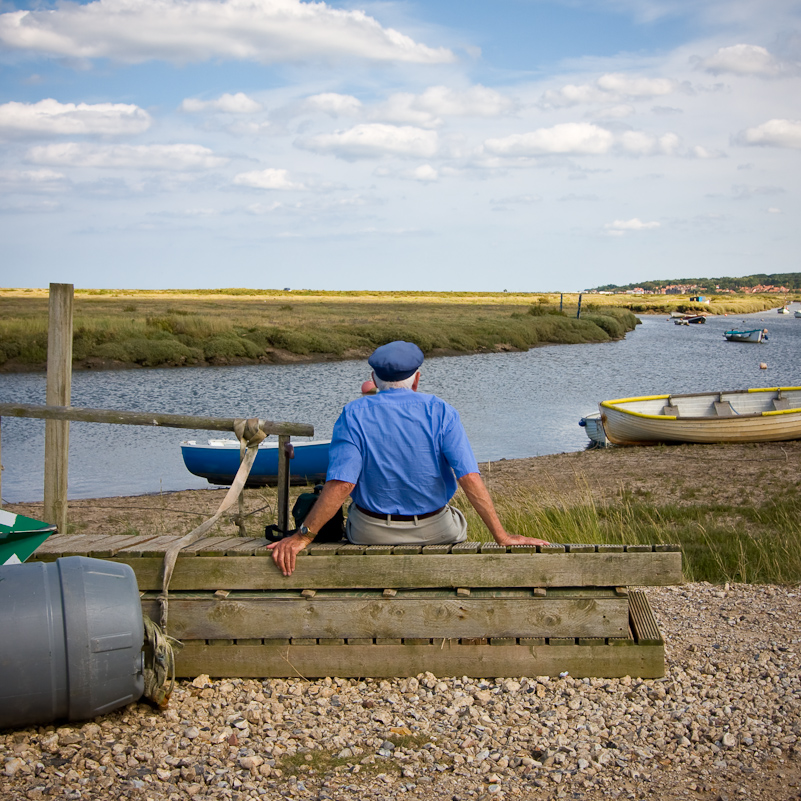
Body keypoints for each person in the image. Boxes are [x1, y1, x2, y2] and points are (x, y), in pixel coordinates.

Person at [268, 341, 549, 576]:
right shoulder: (442, 411)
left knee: (353, 514)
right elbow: (468, 477)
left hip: (371, 532)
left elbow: (342, 484)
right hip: (435, 530)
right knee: (456, 518)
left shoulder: (353, 413)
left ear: (374, 377)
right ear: (417, 377)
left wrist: (303, 536)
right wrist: (502, 536)